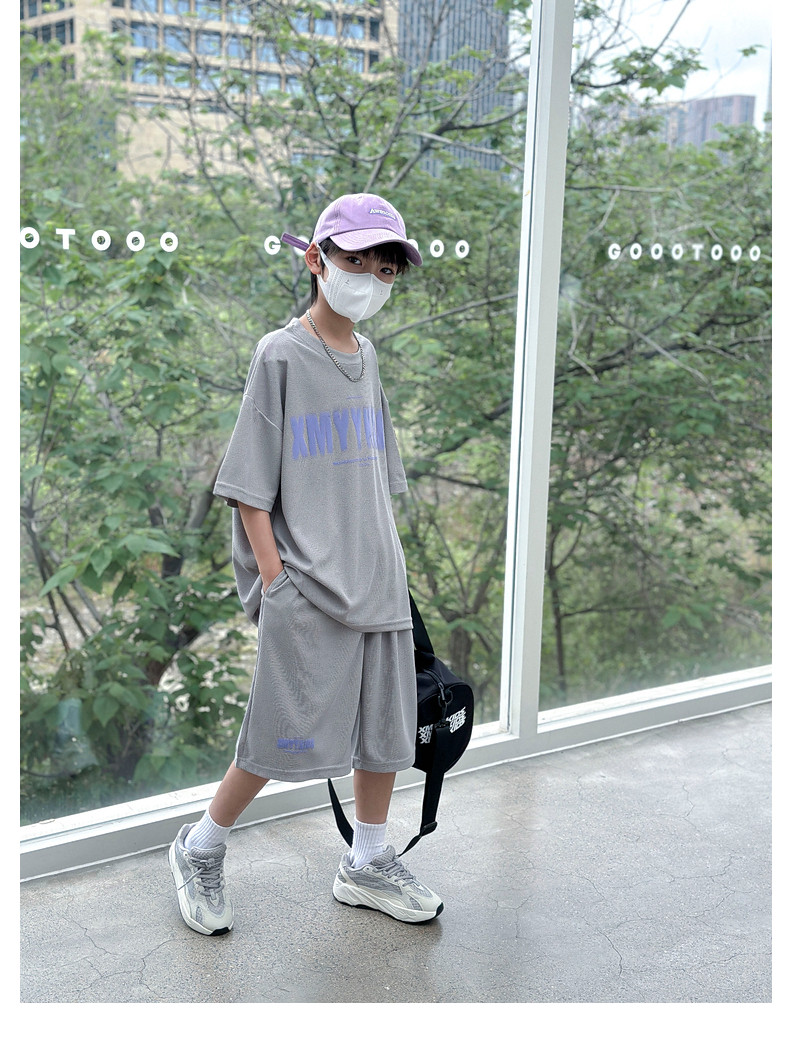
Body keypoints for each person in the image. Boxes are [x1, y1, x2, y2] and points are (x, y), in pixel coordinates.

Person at [168, 193, 443, 935]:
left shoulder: (368, 355)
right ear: (316, 260)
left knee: (384, 730)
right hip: (307, 582)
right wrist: (275, 582)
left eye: (385, 268)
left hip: (375, 576)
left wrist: (389, 566)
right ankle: (200, 847)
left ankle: (368, 860)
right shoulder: (280, 353)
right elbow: (247, 486)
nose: (371, 278)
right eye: (356, 260)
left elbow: (373, 478)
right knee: (279, 732)